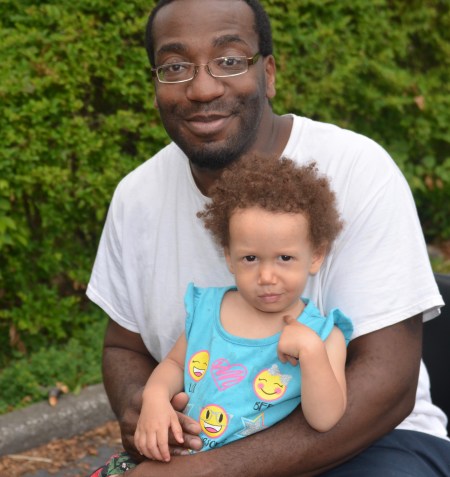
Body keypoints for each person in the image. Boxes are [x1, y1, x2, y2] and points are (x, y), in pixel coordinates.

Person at [87, 0, 449, 475]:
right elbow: (124, 348)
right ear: (155, 86)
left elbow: (390, 384)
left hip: (370, 443)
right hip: (205, 444)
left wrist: (210, 472)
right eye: (175, 66)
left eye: (229, 60)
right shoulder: (136, 197)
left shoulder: (358, 170)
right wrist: (143, 403)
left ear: (269, 74)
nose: (202, 88)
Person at [134, 157, 353, 462]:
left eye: (285, 258)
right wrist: (155, 397)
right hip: (179, 459)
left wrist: (312, 352)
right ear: (229, 256)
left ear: (315, 256)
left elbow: (325, 419)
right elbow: (173, 364)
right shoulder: (207, 309)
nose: (267, 277)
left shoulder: (323, 335)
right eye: (250, 258)